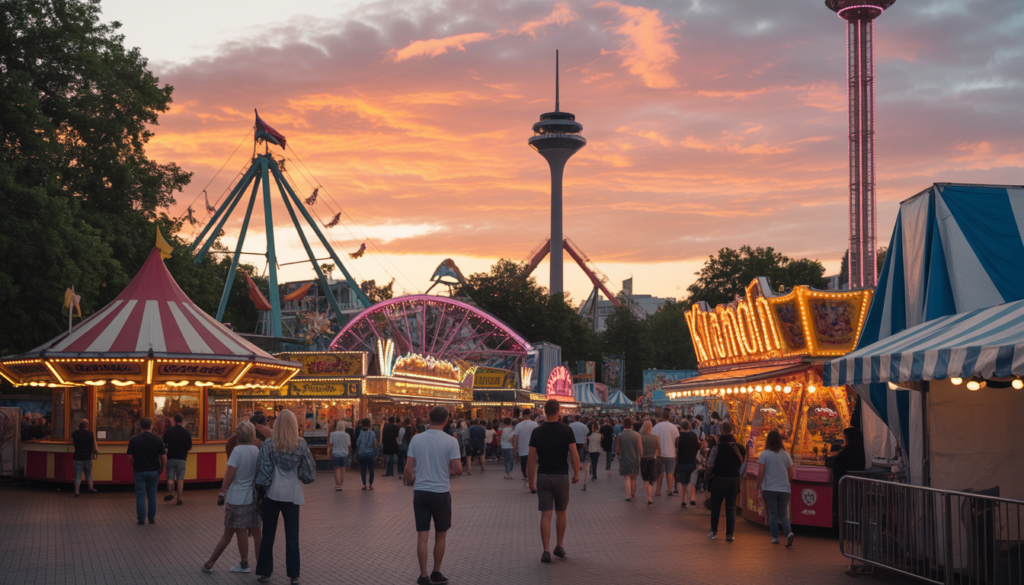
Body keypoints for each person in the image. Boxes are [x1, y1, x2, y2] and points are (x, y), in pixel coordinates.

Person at [255, 409, 316, 584]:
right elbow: (309, 474)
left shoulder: (268, 444)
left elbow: (263, 472)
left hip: (272, 494)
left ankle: (264, 572)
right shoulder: (301, 444)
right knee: (292, 536)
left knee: (268, 534)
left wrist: (261, 489)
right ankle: (294, 574)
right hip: (293, 495)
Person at [404, 406, 463, 585]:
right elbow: (459, 469)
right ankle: (436, 571)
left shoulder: (416, 439)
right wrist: (449, 470)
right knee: (440, 535)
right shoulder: (451, 440)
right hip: (441, 493)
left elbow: (408, 469)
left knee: (422, 536)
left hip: (420, 492)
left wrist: (411, 481)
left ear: (429, 419)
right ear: (446, 420)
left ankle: (423, 576)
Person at [203, 421, 263, 574]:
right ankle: (262, 566)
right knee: (257, 532)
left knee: (230, 532)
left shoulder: (237, 451)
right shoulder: (256, 451)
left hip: (236, 497)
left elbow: (230, 474)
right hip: (252, 496)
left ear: (238, 436)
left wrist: (223, 491)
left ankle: (212, 563)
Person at [528, 399, 580, 563]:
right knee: (561, 512)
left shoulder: (537, 432)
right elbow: (574, 454)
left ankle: (545, 550)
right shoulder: (566, 430)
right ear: (559, 411)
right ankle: (558, 546)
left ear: (544, 411)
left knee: (545, 515)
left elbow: (531, 459)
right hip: (561, 476)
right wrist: (576, 473)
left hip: (543, 475)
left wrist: (531, 481)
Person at [707, 421, 745, 542]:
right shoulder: (740, 448)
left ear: (721, 431)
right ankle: (729, 535)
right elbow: (743, 465)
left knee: (715, 507)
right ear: (732, 431)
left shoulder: (716, 448)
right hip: (733, 480)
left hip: (718, 479)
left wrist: (707, 476)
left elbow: (710, 465)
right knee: (730, 508)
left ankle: (713, 532)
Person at [757, 430, 795, 546]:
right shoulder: (786, 454)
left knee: (772, 514)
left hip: (770, 488)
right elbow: (791, 474)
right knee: (783, 514)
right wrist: (788, 485)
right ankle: (788, 533)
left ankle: (775, 537)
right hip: (784, 488)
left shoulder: (764, 454)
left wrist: (758, 486)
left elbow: (761, 473)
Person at [126, 417, 166, 525]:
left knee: (140, 494)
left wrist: (135, 463)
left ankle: (141, 518)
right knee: (152, 494)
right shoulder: (157, 439)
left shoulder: (134, 439)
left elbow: (129, 456)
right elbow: (163, 456)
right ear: (151, 426)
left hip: (139, 470)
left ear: (140, 426)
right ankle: (151, 517)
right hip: (154, 470)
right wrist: (162, 467)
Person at [829, 427, 866, 529]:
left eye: (844, 435)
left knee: (844, 503)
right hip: (853, 482)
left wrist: (834, 458)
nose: (843, 437)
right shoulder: (860, 448)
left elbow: (837, 462)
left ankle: (844, 526)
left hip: (845, 481)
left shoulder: (849, 449)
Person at [162, 413, 193, 505]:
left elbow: (165, 442)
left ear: (174, 421)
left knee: (170, 477)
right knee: (180, 478)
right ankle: (179, 498)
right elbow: (189, 446)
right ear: (182, 421)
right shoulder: (186, 432)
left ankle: (171, 493)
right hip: (182, 458)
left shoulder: (169, 431)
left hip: (171, 457)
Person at [651, 409, 679, 497]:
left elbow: (653, 439)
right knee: (670, 472)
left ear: (662, 417)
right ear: (669, 417)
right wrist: (676, 450)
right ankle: (670, 490)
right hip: (671, 453)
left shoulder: (656, 427)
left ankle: (658, 490)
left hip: (660, 454)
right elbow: (677, 440)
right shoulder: (673, 427)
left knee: (660, 472)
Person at [675, 419, 700, 507]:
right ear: (689, 426)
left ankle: (683, 500)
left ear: (681, 426)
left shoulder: (678, 436)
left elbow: (676, 448)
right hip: (692, 461)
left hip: (682, 462)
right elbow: (697, 447)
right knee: (692, 481)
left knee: (684, 482)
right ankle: (692, 498)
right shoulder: (693, 435)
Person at [639, 420, 663, 506]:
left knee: (645, 478)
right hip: (653, 459)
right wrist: (660, 457)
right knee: (652, 478)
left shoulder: (639, 436)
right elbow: (659, 450)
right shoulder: (655, 437)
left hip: (643, 459)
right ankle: (650, 497)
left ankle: (647, 496)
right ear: (651, 427)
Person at [71, 418, 98, 497]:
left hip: (77, 457)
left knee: (77, 475)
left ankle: (76, 492)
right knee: (88, 474)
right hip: (87, 457)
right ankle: (91, 488)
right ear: (87, 425)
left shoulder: (75, 433)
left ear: (79, 425)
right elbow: (94, 446)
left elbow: (74, 443)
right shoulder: (91, 434)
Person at [616, 417, 641, 502]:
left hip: (625, 459)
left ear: (623, 424)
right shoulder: (637, 435)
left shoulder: (620, 435)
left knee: (627, 477)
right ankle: (634, 495)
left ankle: (628, 496)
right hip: (635, 459)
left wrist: (619, 455)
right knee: (633, 478)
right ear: (631, 424)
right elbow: (640, 450)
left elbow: (617, 451)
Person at [512, 409, 538, 481]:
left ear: (523, 415)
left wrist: (514, 449)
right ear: (530, 414)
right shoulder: (535, 424)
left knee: (523, 466)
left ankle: (526, 476)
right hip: (533, 449)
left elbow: (515, 438)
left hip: (522, 449)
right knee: (532, 465)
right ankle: (530, 478)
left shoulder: (518, 425)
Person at [356, 418, 379, 490]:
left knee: (363, 470)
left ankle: (364, 485)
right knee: (371, 470)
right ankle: (370, 484)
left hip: (362, 454)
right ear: (369, 424)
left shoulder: (361, 432)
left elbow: (358, 443)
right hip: (370, 453)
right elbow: (375, 443)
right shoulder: (372, 433)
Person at [329, 421, 352, 491]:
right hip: (345, 454)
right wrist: (350, 453)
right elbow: (349, 446)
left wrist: (330, 453)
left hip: (336, 454)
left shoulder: (332, 434)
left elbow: (331, 445)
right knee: (343, 468)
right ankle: (341, 483)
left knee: (337, 469)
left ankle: (338, 485)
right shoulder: (347, 435)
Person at [568, 415, 588, 486]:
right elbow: (586, 434)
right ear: (579, 419)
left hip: (572, 442)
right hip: (581, 442)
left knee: (573, 455)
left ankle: (573, 466)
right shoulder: (584, 426)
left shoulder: (570, 425)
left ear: (574, 418)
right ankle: (578, 466)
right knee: (579, 456)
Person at [584, 422, 602, 486]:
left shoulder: (589, 436)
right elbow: (600, 443)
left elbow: (587, 442)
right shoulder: (600, 435)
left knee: (592, 462)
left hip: (591, 450)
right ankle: (594, 474)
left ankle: (592, 473)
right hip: (597, 450)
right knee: (595, 463)